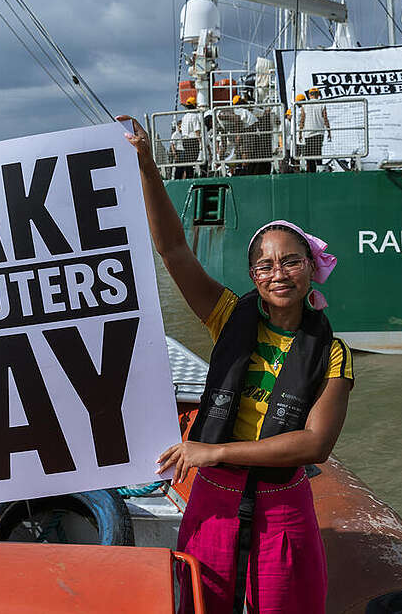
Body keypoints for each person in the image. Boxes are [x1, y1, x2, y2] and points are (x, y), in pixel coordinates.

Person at [118, 115, 353, 614]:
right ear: (253, 276)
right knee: (203, 603)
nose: (278, 273)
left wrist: (215, 451)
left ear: (311, 267)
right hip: (214, 501)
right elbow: (173, 249)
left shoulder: (333, 353)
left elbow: (316, 444)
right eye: (265, 265)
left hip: (283, 508)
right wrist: (147, 167)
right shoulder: (227, 316)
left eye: (291, 261)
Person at [299, 87, 331, 172]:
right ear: (318, 95)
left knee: (310, 156)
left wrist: (300, 133)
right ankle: (319, 171)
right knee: (318, 153)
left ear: (309, 95)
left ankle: (311, 173)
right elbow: (325, 119)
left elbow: (302, 120)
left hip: (308, 133)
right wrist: (329, 131)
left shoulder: (304, 105)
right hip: (319, 133)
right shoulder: (322, 104)